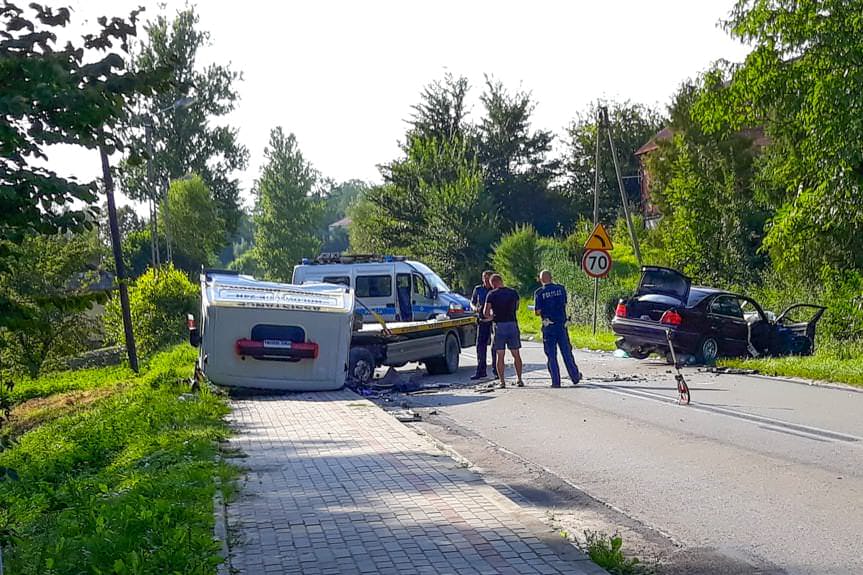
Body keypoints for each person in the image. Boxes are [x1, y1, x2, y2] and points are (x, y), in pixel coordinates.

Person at [534, 270, 581, 387]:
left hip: (549, 326)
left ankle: (556, 381)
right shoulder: (561, 289)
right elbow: (564, 303)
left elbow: (537, 311)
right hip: (561, 324)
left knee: (551, 354)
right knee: (566, 352)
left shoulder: (539, 292)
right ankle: (575, 376)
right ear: (552, 277)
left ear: (541, 280)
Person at [483, 274, 524, 388]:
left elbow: (486, 313)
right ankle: (519, 379)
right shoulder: (513, 293)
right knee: (516, 354)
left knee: (500, 355)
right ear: (501, 281)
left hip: (499, 326)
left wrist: (491, 316)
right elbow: (516, 307)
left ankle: (502, 382)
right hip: (512, 324)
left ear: (493, 283)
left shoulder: (491, 294)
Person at [470, 270, 497, 380]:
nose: (485, 280)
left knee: (495, 346)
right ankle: (481, 371)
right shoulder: (478, 289)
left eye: (487, 278)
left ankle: (496, 371)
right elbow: (472, 302)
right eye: (484, 278)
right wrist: (474, 308)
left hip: (494, 320)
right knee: (480, 346)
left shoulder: (495, 290)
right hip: (482, 319)